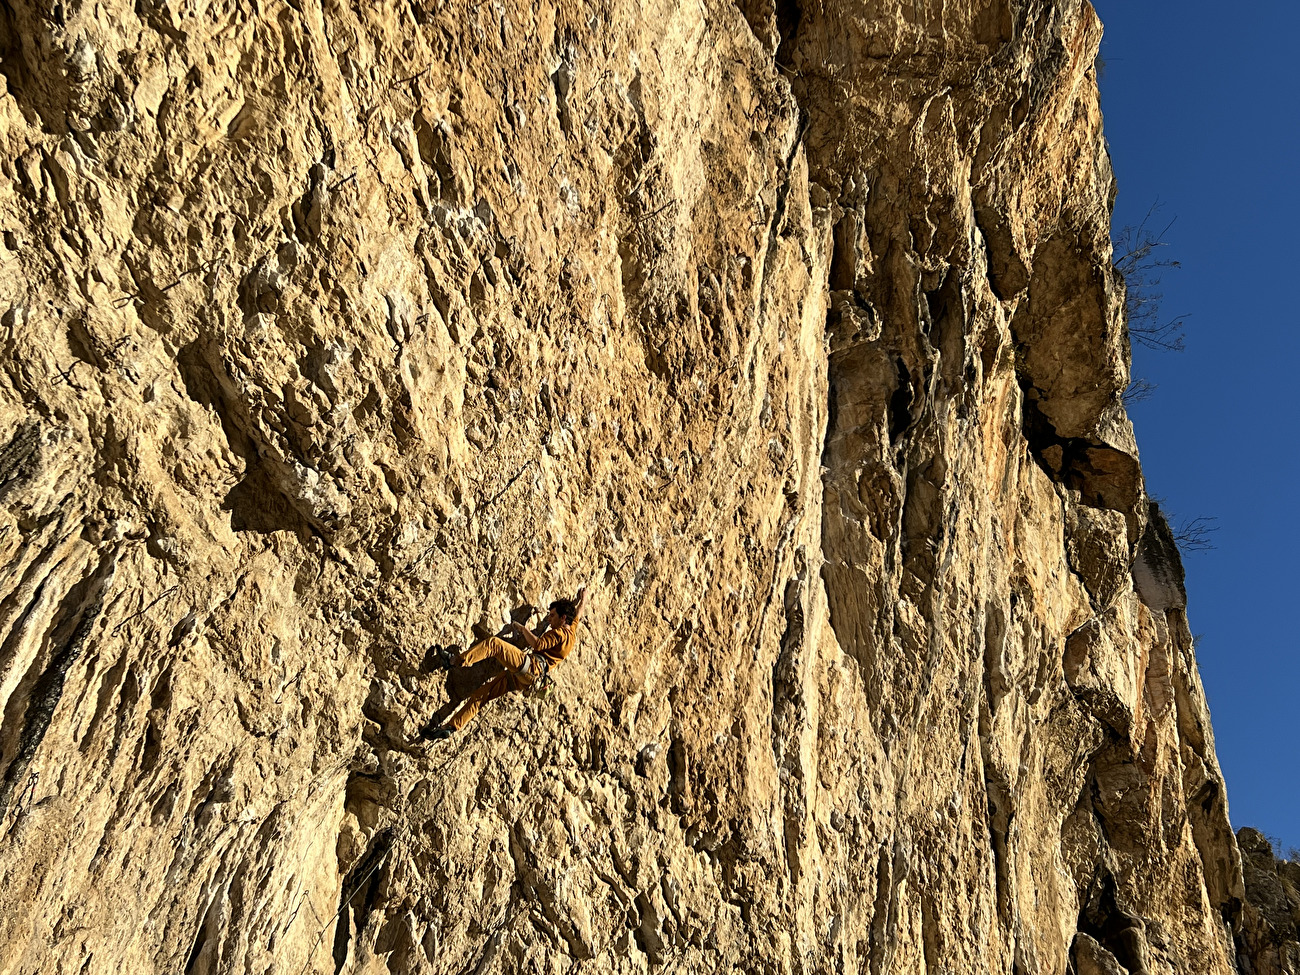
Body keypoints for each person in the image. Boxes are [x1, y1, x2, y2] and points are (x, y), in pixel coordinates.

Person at [423, 587, 586, 741]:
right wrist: (583, 599)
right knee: (482, 695)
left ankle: (454, 661)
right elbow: (578, 612)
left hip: (531, 667)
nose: (549, 620)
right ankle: (450, 727)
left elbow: (538, 645)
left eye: (552, 616)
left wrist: (521, 628)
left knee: (494, 644)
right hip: (528, 679)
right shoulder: (571, 632)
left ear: (563, 618)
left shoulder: (560, 633)